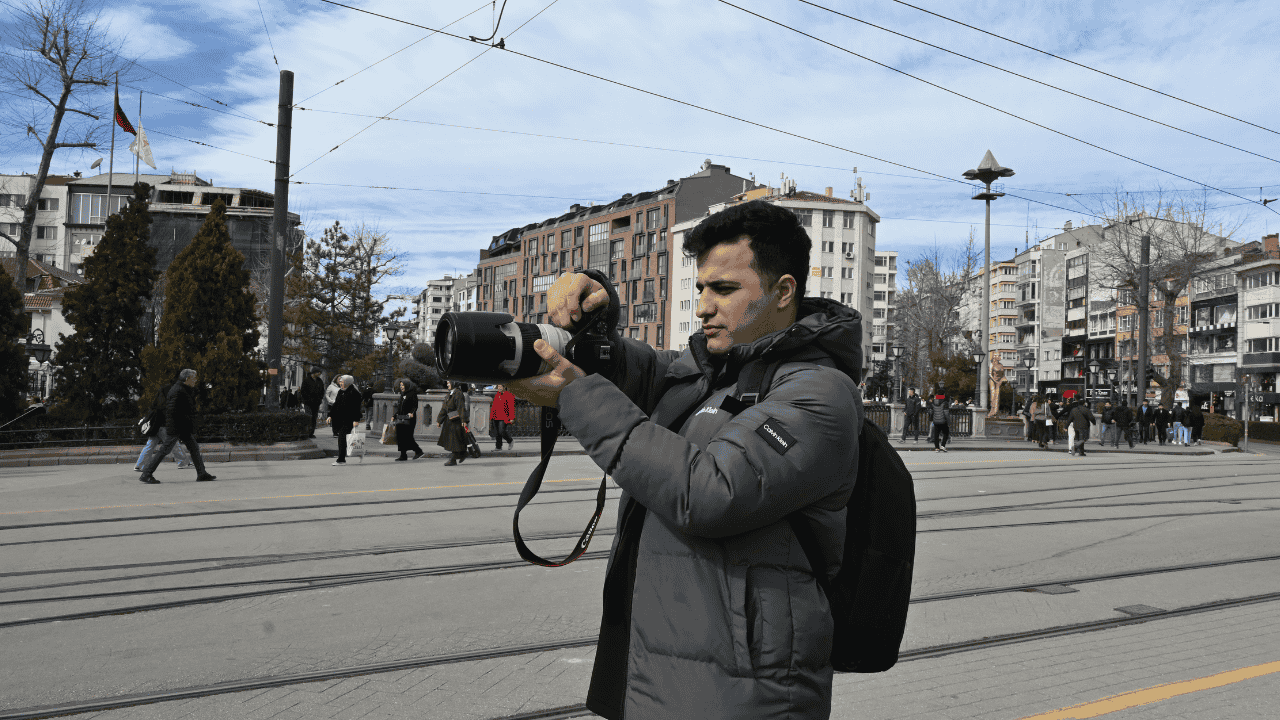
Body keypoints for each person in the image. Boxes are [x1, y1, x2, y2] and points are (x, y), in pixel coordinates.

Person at [508, 200, 860, 720]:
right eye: (700, 289)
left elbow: (710, 492)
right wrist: (592, 302)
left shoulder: (818, 394)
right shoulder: (707, 375)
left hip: (743, 694)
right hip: (662, 672)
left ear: (784, 291)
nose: (702, 308)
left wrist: (574, 396)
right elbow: (627, 366)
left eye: (724, 289)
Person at [138, 369, 216, 484]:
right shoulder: (178, 390)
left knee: (194, 448)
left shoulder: (183, 389)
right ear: (187, 378)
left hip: (182, 426)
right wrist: (179, 425)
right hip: (177, 427)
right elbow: (172, 411)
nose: (195, 380)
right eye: (194, 378)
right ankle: (146, 473)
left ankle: (202, 474)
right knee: (164, 450)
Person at [135, 380, 191, 472]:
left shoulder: (157, 401)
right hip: (164, 427)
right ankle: (183, 462)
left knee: (149, 446)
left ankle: (140, 465)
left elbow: (152, 411)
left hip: (154, 427)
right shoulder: (168, 402)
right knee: (174, 444)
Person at [325, 375, 362, 466]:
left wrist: (356, 420)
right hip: (340, 419)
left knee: (341, 438)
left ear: (347, 382)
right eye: (340, 382)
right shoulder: (341, 391)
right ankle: (344, 457)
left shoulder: (354, 393)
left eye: (342, 382)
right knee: (342, 439)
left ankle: (341, 459)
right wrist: (330, 416)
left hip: (349, 420)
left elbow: (357, 408)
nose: (340, 383)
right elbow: (336, 404)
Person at [436, 380, 469, 466]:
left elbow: (461, 407)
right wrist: (439, 420)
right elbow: (444, 408)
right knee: (454, 440)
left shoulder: (458, 393)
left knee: (454, 440)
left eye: (449, 383)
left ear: (454, 383)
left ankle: (453, 459)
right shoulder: (450, 393)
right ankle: (462, 453)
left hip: (456, 421)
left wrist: (463, 420)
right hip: (450, 420)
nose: (447, 384)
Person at [393, 379, 424, 461]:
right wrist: (394, 415)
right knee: (400, 437)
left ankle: (418, 451)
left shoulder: (412, 394)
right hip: (400, 418)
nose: (401, 387)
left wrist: (411, 412)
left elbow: (415, 405)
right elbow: (399, 407)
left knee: (408, 437)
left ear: (407, 385)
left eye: (403, 385)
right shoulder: (402, 394)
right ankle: (403, 455)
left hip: (409, 419)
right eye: (400, 385)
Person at [489, 383, 516, 451]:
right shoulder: (497, 395)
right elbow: (494, 406)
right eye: (498, 386)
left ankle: (510, 441)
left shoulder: (509, 395)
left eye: (500, 386)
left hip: (504, 416)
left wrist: (511, 417)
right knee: (497, 433)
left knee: (501, 431)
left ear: (504, 387)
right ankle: (498, 447)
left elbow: (511, 407)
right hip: (496, 416)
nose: (499, 388)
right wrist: (492, 416)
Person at [300, 368, 324, 438]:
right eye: (318, 372)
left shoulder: (320, 381)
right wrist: (306, 399)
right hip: (308, 403)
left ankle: (311, 433)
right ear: (314, 372)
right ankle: (306, 432)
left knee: (314, 418)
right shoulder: (306, 380)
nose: (319, 374)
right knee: (308, 417)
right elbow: (303, 391)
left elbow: (322, 391)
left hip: (316, 403)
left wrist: (320, 399)